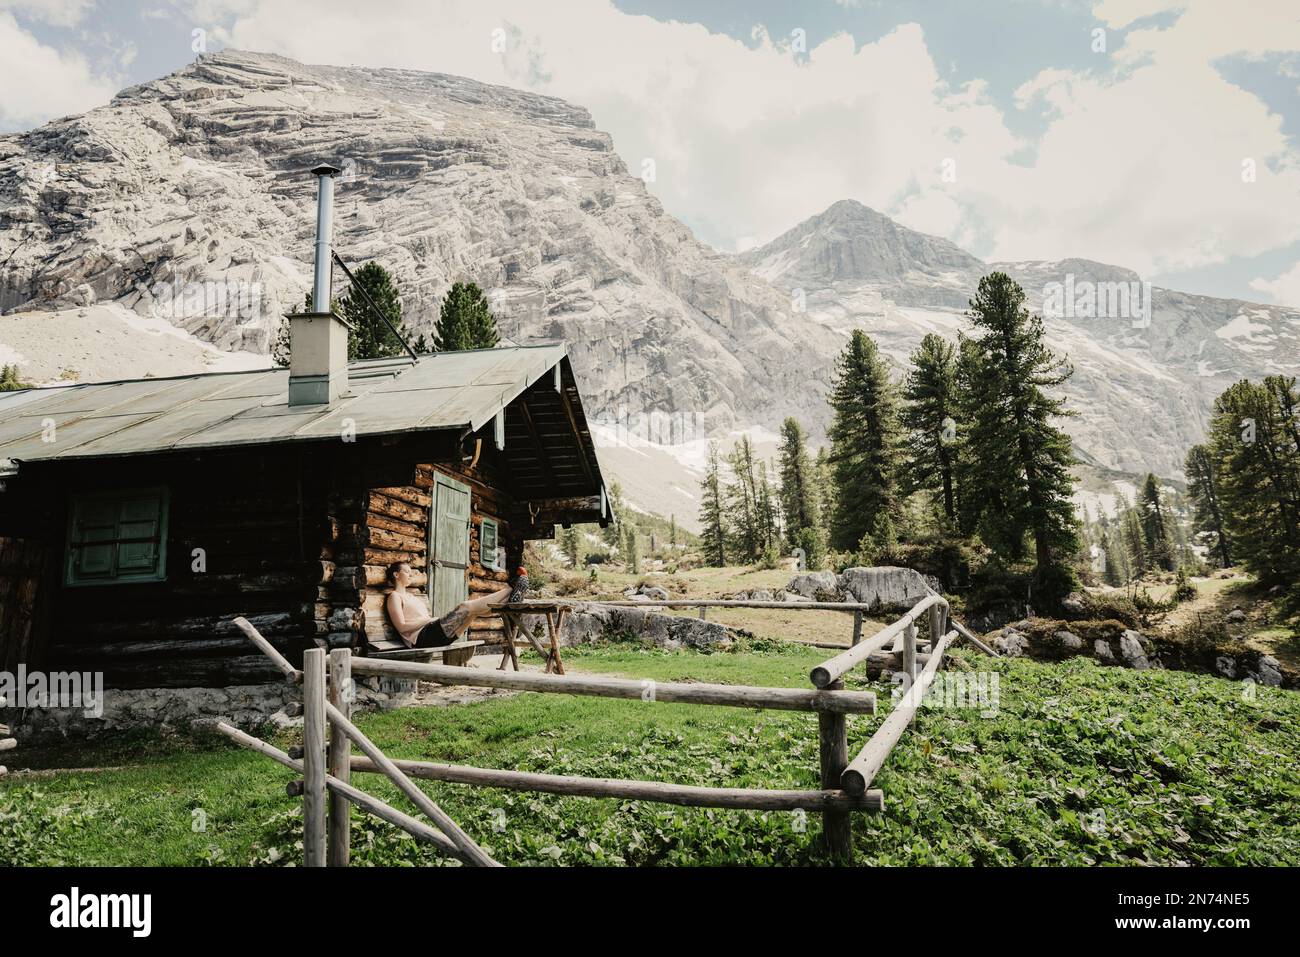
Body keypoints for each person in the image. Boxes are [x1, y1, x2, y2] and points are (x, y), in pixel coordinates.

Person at [385, 561, 512, 648]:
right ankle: (509, 591)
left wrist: (429, 621)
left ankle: (507, 600)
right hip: (421, 638)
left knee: (473, 612)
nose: (410, 574)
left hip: (432, 633)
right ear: (396, 575)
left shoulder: (411, 596)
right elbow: (401, 627)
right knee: (466, 606)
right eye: (406, 571)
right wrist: (428, 620)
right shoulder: (394, 597)